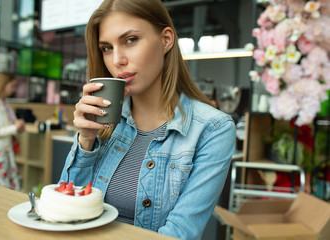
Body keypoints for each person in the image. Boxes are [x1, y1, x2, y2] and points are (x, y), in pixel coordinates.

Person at [59, 0, 236, 239]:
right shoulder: (104, 121)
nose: (117, 60)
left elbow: (180, 233)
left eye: (130, 40)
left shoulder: (212, 130)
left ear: (166, 40)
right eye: (107, 48)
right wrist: (85, 141)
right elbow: (65, 210)